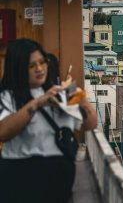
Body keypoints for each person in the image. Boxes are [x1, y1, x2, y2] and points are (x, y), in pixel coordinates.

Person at [0, 38, 97, 203]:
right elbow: (3, 132)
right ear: (18, 68)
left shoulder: (58, 93)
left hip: (58, 181)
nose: (39, 69)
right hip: (20, 179)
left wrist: (80, 97)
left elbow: (91, 124)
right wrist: (38, 102)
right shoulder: (7, 97)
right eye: (32, 65)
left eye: (42, 62)